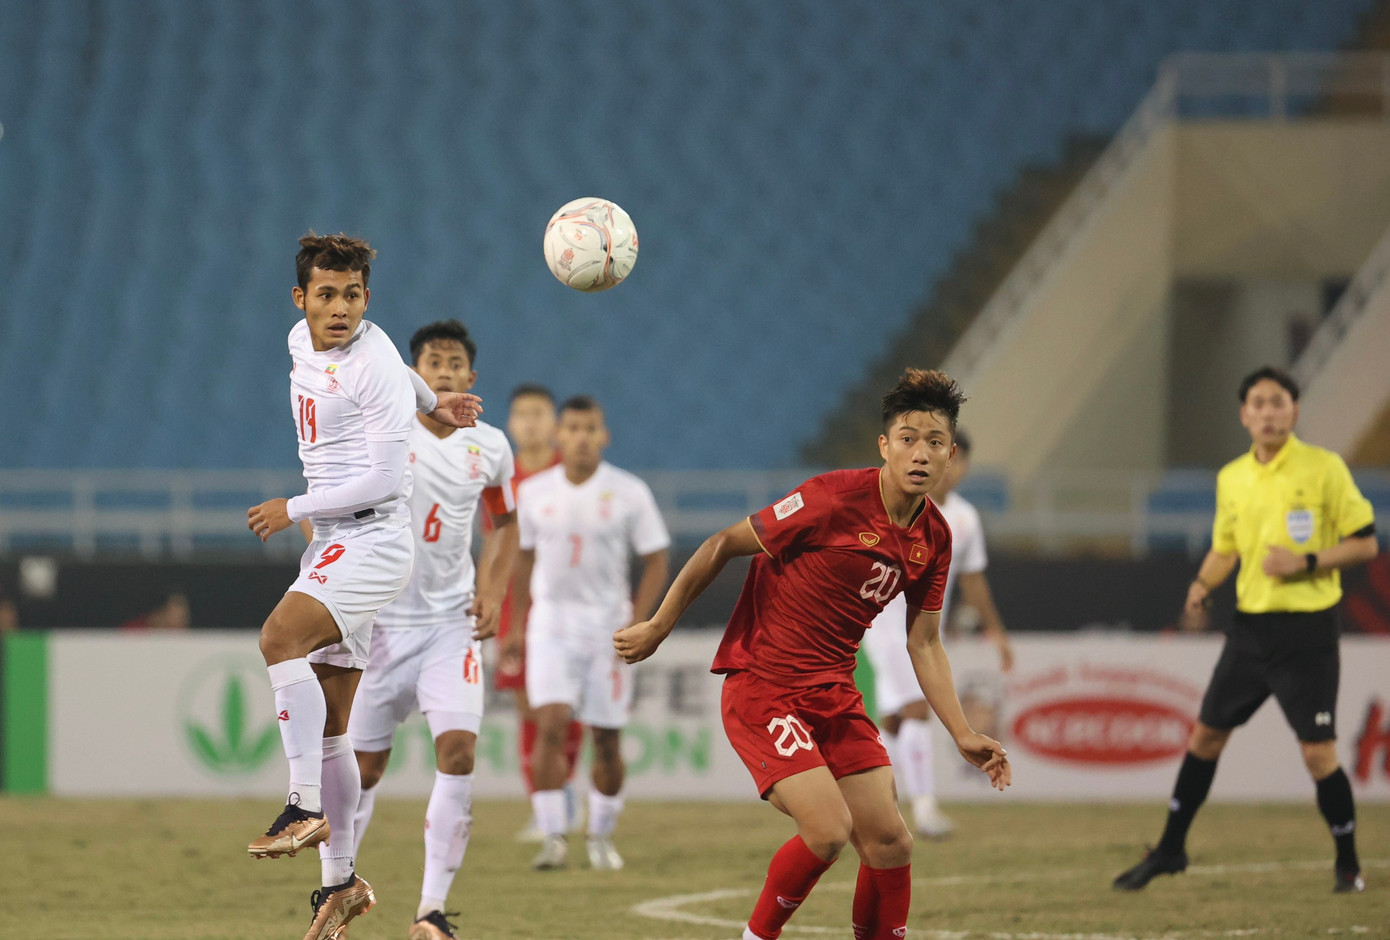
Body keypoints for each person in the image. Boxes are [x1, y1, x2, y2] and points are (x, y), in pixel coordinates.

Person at [615, 368, 1010, 940]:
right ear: (884, 446)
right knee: (827, 831)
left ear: (951, 455)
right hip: (762, 684)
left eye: (934, 442)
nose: (919, 453)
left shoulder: (937, 538)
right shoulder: (833, 498)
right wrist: (658, 626)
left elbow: (923, 640)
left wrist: (962, 731)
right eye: (907, 438)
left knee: (891, 840)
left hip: (832, 691)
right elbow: (722, 543)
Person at [244, 233, 480, 940]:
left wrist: (294, 508)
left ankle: (300, 806)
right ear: (302, 299)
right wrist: (435, 403)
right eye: (326, 294)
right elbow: (405, 381)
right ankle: (340, 883)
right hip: (339, 540)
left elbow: (382, 479)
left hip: (373, 538)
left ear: (366, 300)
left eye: (352, 295)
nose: (339, 308)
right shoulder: (302, 341)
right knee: (335, 724)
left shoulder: (371, 363)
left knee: (279, 637)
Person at [1113, 366, 1378, 895]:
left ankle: (1348, 864)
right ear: (1244, 415)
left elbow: (1366, 542)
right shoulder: (1232, 476)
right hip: (1251, 631)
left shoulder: (1324, 468)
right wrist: (1201, 583)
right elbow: (1226, 547)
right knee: (1205, 736)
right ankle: (1170, 850)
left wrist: (1305, 562)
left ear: (1294, 411)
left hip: (1308, 633)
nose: (1269, 412)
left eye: (1278, 402)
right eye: (1258, 403)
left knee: (1317, 753)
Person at [345, 319, 518, 940]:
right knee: (363, 769)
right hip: (382, 626)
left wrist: (494, 592)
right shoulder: (380, 434)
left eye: (453, 363)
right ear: (413, 375)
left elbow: (506, 526)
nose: (443, 371)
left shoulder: (493, 447)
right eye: (431, 362)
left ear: (471, 378)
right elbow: (329, 508)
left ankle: (430, 912)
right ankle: (337, 889)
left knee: (460, 752)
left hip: (450, 625)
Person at [510, 396, 671, 870]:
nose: (581, 437)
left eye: (590, 428)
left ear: (604, 436)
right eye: (573, 428)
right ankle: (553, 836)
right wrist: (517, 626)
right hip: (551, 625)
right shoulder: (535, 491)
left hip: (608, 629)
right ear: (559, 436)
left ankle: (600, 835)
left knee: (606, 739)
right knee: (551, 723)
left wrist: (639, 621)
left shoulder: (628, 491)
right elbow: (521, 558)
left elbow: (657, 558)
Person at [861, 428, 1013, 838]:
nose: (951, 466)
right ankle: (925, 811)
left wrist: (995, 631)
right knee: (917, 707)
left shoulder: (964, 518)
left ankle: (871, 801)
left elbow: (974, 580)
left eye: (958, 458)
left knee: (893, 719)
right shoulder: (903, 505)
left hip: (925, 629)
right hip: (885, 622)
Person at [492, 385, 586, 840]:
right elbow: (491, 547)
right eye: (522, 414)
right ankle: (546, 804)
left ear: (554, 424)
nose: (530, 422)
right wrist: (484, 599)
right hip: (514, 607)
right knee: (529, 709)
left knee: (564, 709)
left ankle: (562, 794)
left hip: (567, 607)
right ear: (511, 423)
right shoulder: (499, 481)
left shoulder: (569, 473)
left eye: (539, 413)